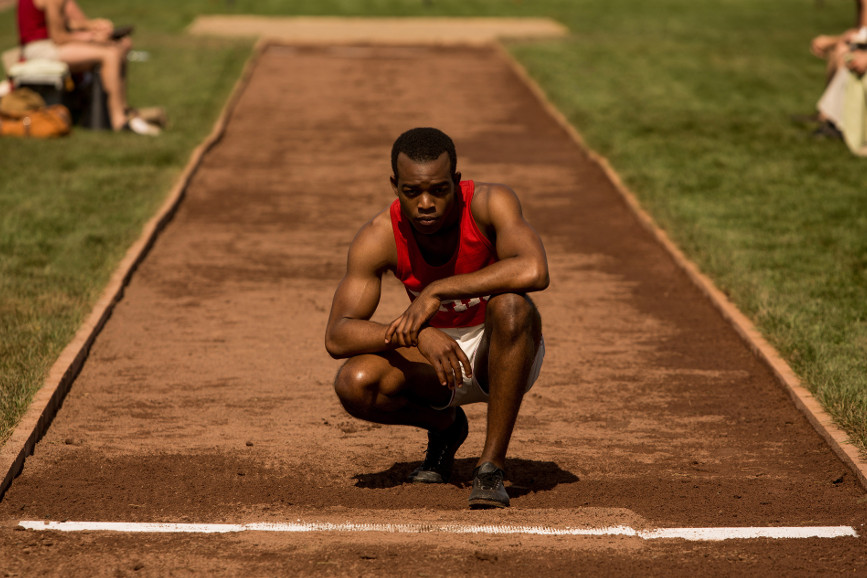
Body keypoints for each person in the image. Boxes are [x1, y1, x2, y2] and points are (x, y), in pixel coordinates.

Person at [325, 127, 549, 509]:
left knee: (512, 305)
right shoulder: (379, 235)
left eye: (439, 190)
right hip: (433, 361)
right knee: (355, 382)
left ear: (456, 183)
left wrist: (436, 290)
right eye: (412, 192)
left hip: (503, 347)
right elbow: (338, 336)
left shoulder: (491, 202)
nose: (425, 203)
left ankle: (490, 467)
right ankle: (446, 428)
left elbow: (534, 270)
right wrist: (418, 336)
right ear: (395, 186)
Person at [17, 0, 159, 135]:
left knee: (118, 47)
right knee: (110, 54)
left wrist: (92, 26)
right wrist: (91, 38)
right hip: (40, 48)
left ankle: (124, 110)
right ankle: (118, 120)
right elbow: (58, 37)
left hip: (49, 44)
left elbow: (66, 23)